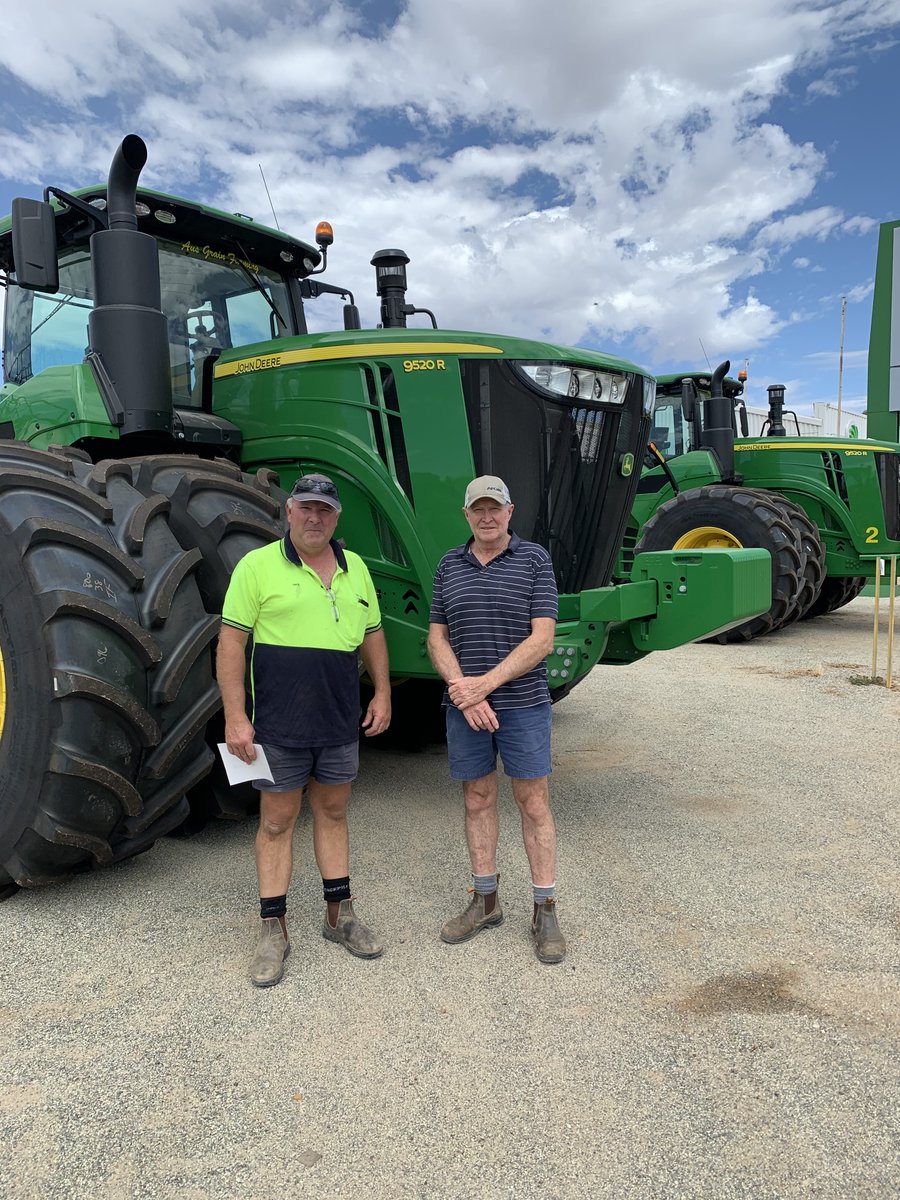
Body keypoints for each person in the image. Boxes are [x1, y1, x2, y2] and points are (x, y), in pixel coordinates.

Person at [218, 473, 391, 988]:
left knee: (334, 813)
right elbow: (230, 646)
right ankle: (274, 929)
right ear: (289, 511)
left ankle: (340, 917)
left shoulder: (355, 568)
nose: (315, 518)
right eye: (306, 508)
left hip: (338, 722)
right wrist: (235, 716)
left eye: (325, 510)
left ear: (337, 517)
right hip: (278, 725)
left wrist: (382, 691)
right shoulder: (257, 567)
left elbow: (374, 636)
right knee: (277, 821)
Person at [427, 475, 566, 964]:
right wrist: (464, 695)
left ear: (511, 512)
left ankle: (544, 908)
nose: (486, 517)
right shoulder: (450, 564)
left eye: (495, 508)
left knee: (532, 802)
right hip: (466, 709)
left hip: (523, 704)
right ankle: (485, 901)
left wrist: (482, 686)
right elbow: (437, 639)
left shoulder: (534, 561)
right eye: (477, 509)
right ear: (466, 514)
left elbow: (542, 639)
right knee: (478, 797)